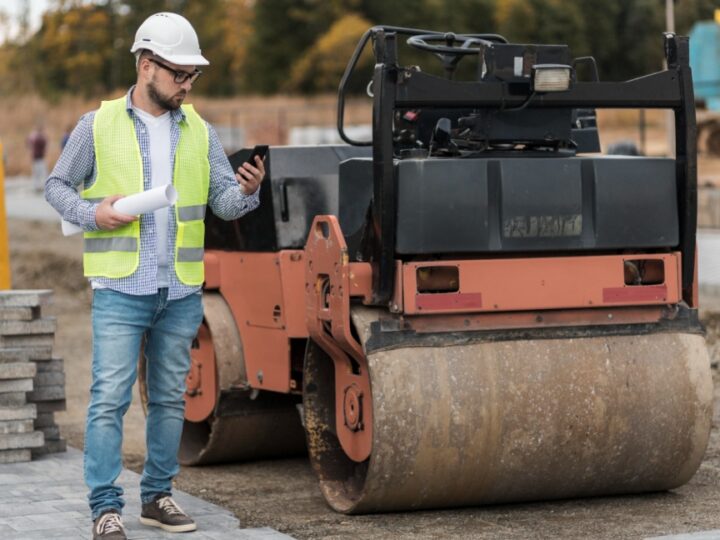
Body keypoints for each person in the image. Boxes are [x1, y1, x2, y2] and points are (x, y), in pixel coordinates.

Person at [45, 12, 265, 540]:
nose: (188, 85)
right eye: (180, 74)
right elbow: (56, 188)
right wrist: (96, 214)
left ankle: (158, 497)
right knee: (109, 399)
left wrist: (249, 192)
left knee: (170, 398)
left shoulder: (201, 133)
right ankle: (105, 507)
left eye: (194, 76)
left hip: (181, 289)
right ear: (147, 66)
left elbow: (223, 204)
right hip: (121, 287)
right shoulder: (96, 125)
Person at [27, 123, 48, 192]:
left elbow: (27, 143)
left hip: (35, 158)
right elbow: (44, 144)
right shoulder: (40, 138)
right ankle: (43, 186)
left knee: (36, 174)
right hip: (40, 158)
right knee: (42, 173)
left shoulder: (32, 136)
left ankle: (37, 186)